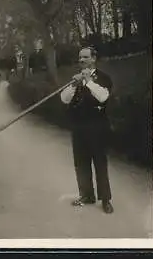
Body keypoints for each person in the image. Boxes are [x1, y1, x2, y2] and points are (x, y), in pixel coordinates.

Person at [60, 47, 114, 214]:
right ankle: (87, 195)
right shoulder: (75, 79)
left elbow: (103, 97)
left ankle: (105, 200)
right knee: (81, 163)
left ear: (93, 59)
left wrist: (88, 81)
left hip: (97, 128)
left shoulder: (103, 78)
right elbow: (64, 99)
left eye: (85, 57)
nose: (81, 60)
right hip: (79, 128)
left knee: (100, 163)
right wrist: (74, 85)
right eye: (79, 58)